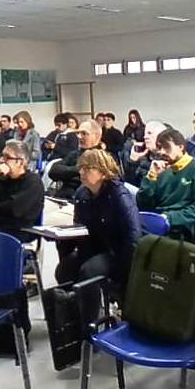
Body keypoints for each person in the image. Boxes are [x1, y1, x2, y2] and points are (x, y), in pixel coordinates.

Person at [55, 150, 142, 290]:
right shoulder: (82, 193)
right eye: (81, 168)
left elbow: (133, 235)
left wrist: (124, 271)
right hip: (92, 247)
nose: (81, 172)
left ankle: (91, 305)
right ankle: (70, 302)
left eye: (87, 168)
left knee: (89, 271)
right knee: (64, 268)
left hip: (116, 251)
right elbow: (79, 227)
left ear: (104, 173)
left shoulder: (119, 195)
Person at [136, 128, 195, 242]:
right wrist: (151, 176)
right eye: (160, 148)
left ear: (181, 147)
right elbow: (143, 205)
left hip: (182, 228)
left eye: (167, 147)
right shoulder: (161, 170)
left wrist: (170, 218)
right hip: (157, 225)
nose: (162, 152)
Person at [0, 140, 44, 243]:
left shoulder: (33, 182)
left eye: (7, 157)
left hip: (16, 231)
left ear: (21, 162)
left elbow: (14, 209)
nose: (1, 160)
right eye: (1, 156)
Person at [48, 119, 103, 200]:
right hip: (64, 196)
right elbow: (53, 171)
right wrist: (79, 169)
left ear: (96, 136)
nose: (79, 137)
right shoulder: (74, 154)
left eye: (84, 133)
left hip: (86, 198)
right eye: (78, 133)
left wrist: (67, 174)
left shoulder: (102, 157)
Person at [122, 120, 169, 187]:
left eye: (149, 133)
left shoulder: (169, 159)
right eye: (145, 134)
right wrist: (133, 162)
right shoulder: (142, 156)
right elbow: (130, 183)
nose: (145, 137)